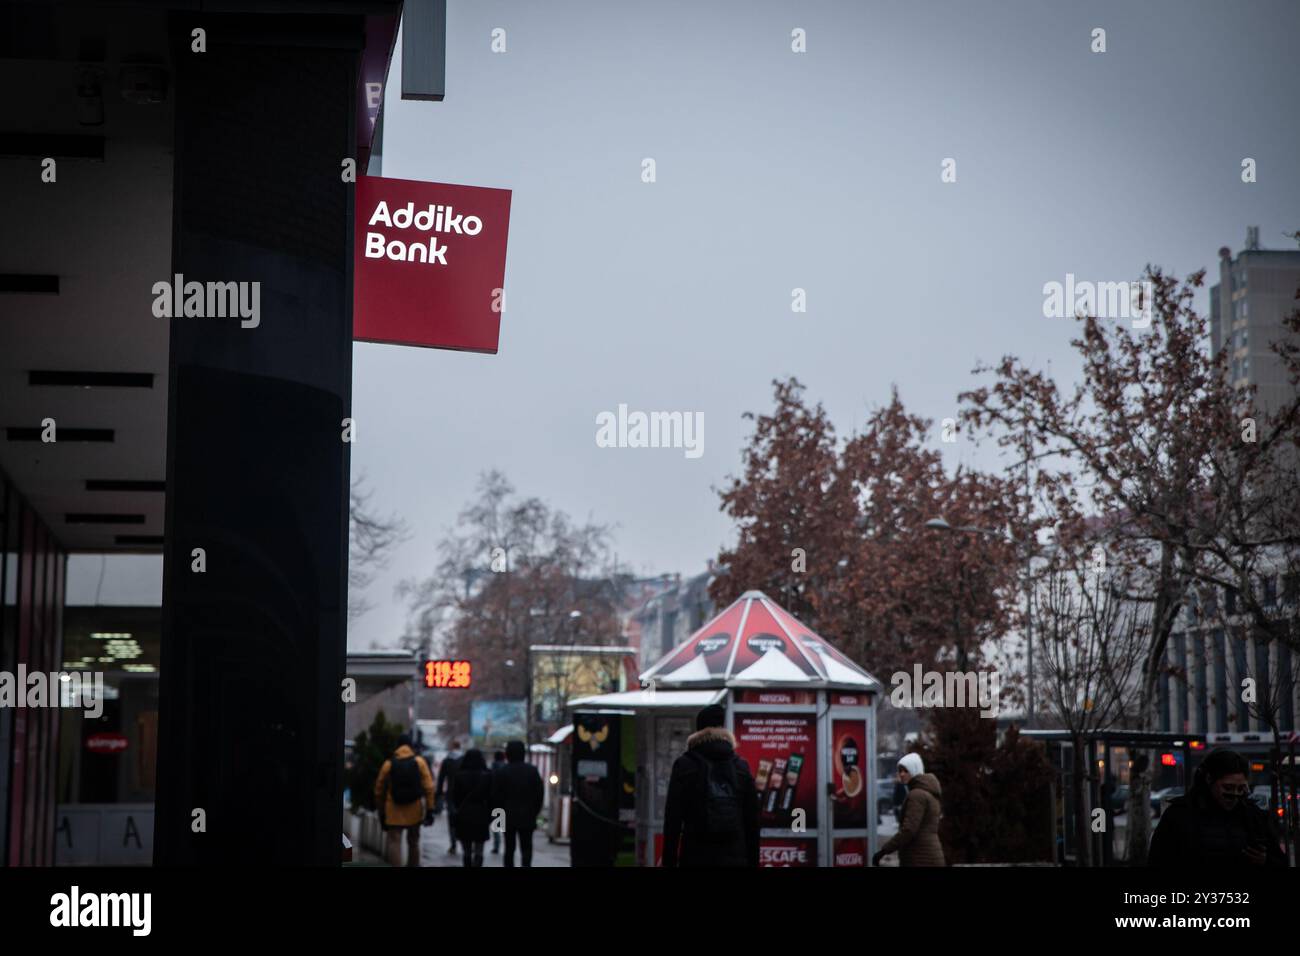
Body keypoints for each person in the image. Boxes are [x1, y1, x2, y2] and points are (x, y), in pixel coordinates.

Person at [1149, 748, 1286, 867]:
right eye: (1228, 787)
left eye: (1240, 788)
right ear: (1209, 779)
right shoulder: (1179, 815)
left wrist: (1266, 860)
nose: (1234, 795)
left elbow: (1280, 860)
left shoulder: (1254, 816)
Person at [662, 704, 760, 867]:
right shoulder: (741, 767)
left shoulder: (684, 765)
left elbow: (672, 820)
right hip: (735, 858)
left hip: (695, 857)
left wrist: (669, 861)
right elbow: (752, 822)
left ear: (698, 730)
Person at [373, 733, 435, 867]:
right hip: (415, 810)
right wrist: (430, 809)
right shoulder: (420, 762)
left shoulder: (389, 763)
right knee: (413, 843)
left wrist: (381, 811)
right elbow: (429, 787)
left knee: (394, 842)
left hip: (393, 810)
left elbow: (378, 790)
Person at [873, 752, 945, 867]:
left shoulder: (917, 795)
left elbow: (909, 830)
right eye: (900, 771)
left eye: (906, 771)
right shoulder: (929, 792)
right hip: (930, 855)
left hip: (920, 858)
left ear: (915, 770)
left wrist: (884, 850)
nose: (901, 774)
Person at [491, 740, 545, 867]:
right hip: (527, 816)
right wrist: (534, 811)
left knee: (509, 848)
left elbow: (495, 797)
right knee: (526, 848)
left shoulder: (502, 772)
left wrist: (498, 817)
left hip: (507, 817)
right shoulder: (532, 771)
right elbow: (539, 794)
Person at [450, 748, 494, 867]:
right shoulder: (487, 776)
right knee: (479, 849)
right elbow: (491, 798)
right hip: (481, 815)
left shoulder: (459, 776)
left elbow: (455, 798)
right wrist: (491, 816)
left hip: (464, 815)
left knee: (466, 850)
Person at [436, 740, 464, 855]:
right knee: (462, 818)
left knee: (451, 819)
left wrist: (439, 793)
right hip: (463, 793)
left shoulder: (447, 761)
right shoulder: (464, 759)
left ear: (452, 747)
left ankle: (453, 844)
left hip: (451, 793)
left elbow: (441, 778)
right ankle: (464, 842)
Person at [490, 749, 508, 854]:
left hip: (495, 801)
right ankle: (506, 846)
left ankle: (496, 845)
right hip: (506, 801)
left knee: (496, 826)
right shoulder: (507, 768)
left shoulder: (493, 768)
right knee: (505, 826)